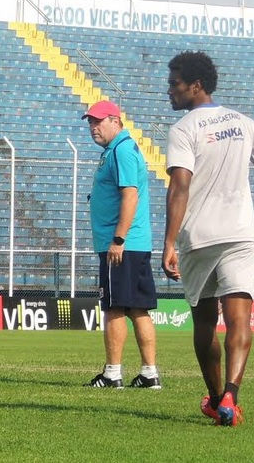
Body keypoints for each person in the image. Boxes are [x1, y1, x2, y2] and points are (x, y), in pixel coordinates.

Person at [162, 51, 254, 426]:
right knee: (239, 320)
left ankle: (218, 398)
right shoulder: (244, 123)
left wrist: (169, 242)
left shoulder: (184, 129)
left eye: (174, 84)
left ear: (196, 85)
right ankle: (231, 397)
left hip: (199, 238)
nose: (169, 91)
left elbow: (180, 186)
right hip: (240, 234)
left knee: (204, 324)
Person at [80, 100, 161, 390]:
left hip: (122, 245)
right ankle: (149, 374)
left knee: (114, 307)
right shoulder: (118, 150)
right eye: (90, 122)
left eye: (98, 121)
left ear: (116, 121)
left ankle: (112, 373)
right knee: (138, 308)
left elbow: (130, 195)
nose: (93, 127)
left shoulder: (121, 150)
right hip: (134, 243)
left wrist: (118, 239)